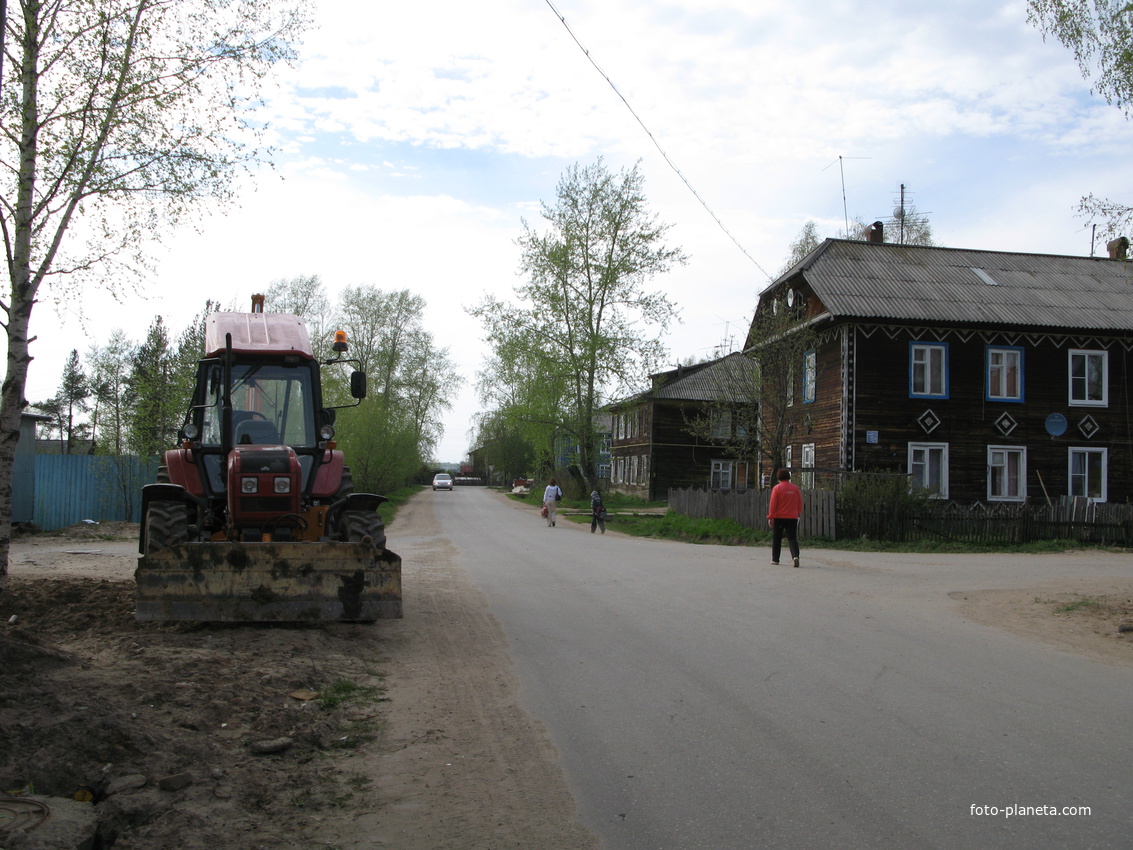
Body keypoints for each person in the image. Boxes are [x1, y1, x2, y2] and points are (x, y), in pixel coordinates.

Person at [767, 468, 803, 567]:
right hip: (792, 517)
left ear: (778, 477)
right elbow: (799, 503)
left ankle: (775, 559)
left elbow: (773, 504)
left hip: (779, 517)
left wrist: (771, 516)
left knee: (777, 538)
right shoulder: (795, 488)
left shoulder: (777, 488)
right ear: (789, 476)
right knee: (792, 538)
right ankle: (795, 556)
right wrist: (798, 513)